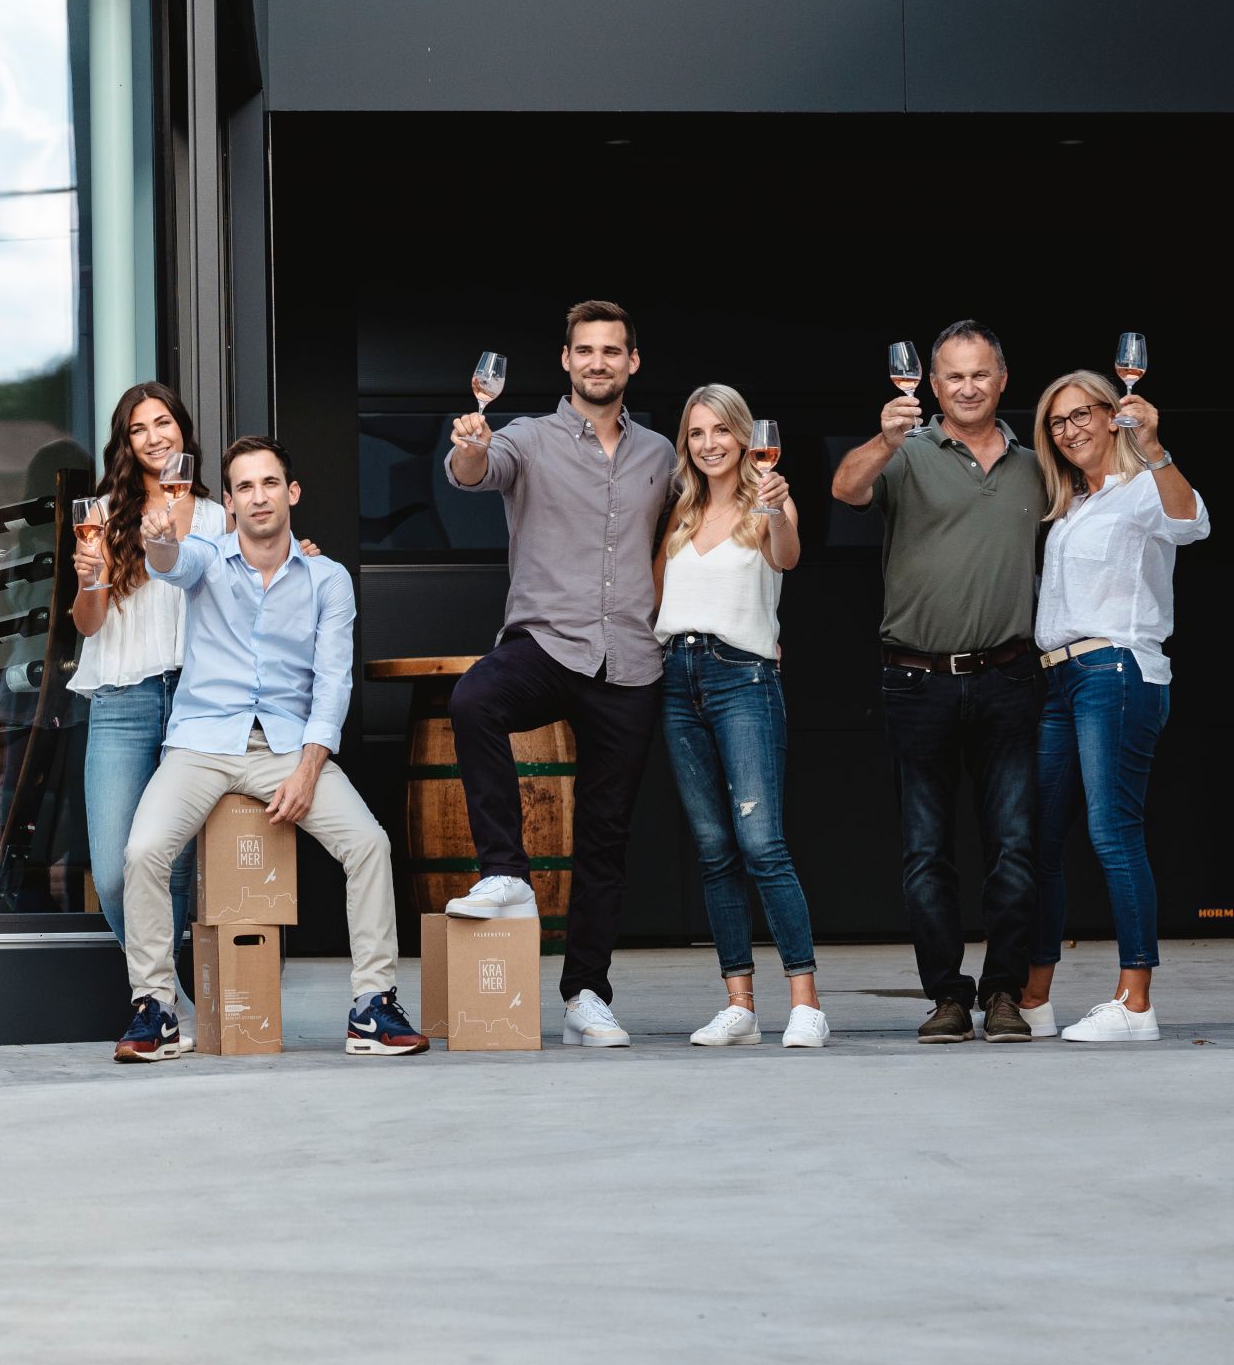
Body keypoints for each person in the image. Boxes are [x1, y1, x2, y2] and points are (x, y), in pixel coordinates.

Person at [110, 436, 425, 1062]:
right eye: (245, 487)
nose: (259, 496)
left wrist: (311, 767)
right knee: (143, 852)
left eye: (270, 483)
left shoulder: (328, 580)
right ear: (228, 503)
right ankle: (156, 1010)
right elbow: (170, 562)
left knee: (369, 845)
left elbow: (334, 681)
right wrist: (155, 535)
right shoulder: (205, 559)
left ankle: (372, 1005)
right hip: (202, 741)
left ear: (292, 492)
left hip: (285, 744)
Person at [440, 299, 669, 1048]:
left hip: (630, 658)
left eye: (612, 351)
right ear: (565, 361)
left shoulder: (660, 455)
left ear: (632, 362)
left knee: (605, 837)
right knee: (473, 698)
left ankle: (586, 994)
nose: (598, 362)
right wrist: (470, 443)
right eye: (585, 350)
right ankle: (505, 870)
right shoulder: (527, 439)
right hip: (547, 642)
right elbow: (473, 472)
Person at [829, 319, 1043, 1044]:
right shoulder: (910, 452)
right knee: (927, 851)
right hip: (917, 679)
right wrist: (887, 439)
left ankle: (1005, 992)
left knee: (1014, 844)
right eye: (953, 375)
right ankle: (947, 996)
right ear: (935, 382)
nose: (967, 387)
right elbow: (845, 489)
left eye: (980, 373)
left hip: (1010, 675)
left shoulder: (1034, 460)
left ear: (1003, 378)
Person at [1023, 368, 1210, 1043]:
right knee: (1039, 840)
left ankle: (1135, 1003)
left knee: (1111, 832)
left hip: (1117, 670)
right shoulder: (1072, 504)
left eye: (1081, 415)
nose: (1069, 429)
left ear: (1113, 416)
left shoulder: (1142, 491)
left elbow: (1192, 524)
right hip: (1058, 679)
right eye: (1057, 421)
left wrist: (1157, 449)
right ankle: (1034, 998)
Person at [652, 385, 827, 1050]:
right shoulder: (680, 513)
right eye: (696, 433)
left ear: (745, 435)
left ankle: (806, 1002)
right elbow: (653, 600)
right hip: (677, 679)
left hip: (743, 680)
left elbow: (788, 557)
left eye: (720, 430)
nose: (709, 444)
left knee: (763, 846)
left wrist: (779, 508)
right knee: (714, 849)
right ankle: (739, 1005)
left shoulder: (768, 505)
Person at [69, 383, 220, 965]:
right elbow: (88, 625)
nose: (154, 437)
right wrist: (91, 580)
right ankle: (167, 997)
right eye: (139, 429)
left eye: (163, 423)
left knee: (171, 869)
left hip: (194, 702)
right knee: (112, 872)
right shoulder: (104, 516)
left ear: (182, 429)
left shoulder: (216, 516)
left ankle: (157, 1006)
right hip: (120, 702)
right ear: (126, 444)